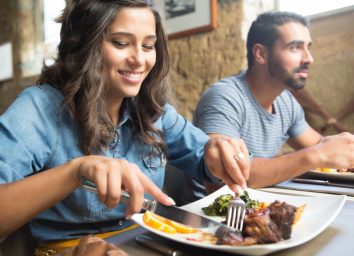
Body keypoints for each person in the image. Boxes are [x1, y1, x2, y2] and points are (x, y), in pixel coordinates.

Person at [0, 0, 250, 254]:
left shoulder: (152, 110)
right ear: (84, 44)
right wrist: (76, 171)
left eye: (149, 46)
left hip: (152, 243)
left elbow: (204, 158)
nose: (139, 60)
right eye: (121, 43)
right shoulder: (39, 108)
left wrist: (217, 152)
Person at [180, 11, 354, 203]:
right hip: (207, 215)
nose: (309, 58)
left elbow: (323, 146)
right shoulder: (224, 97)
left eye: (308, 47)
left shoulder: (286, 102)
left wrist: (339, 151)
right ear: (261, 54)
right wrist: (318, 155)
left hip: (258, 206)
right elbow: (231, 173)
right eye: (295, 48)